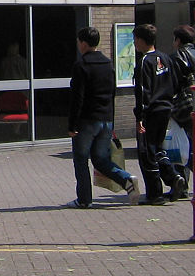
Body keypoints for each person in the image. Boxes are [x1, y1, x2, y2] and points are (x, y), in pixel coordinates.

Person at [67, 27, 138, 207]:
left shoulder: (81, 65)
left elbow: (78, 98)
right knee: (100, 159)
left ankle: (84, 200)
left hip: (87, 120)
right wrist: (111, 120)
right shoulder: (108, 64)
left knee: (81, 159)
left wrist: (72, 124)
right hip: (106, 118)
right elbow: (112, 93)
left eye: (78, 42)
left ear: (83, 43)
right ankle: (126, 179)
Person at [132, 24, 187, 204]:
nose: (134, 43)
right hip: (166, 109)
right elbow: (175, 82)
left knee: (147, 152)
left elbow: (142, 91)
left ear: (140, 40)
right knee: (158, 149)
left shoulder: (144, 62)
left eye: (135, 40)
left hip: (151, 111)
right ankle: (174, 178)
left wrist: (140, 116)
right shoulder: (165, 58)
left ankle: (155, 193)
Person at [169, 25, 195, 190]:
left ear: (178, 40)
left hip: (184, 106)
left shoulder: (177, 56)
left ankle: (182, 185)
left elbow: (173, 84)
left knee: (182, 144)